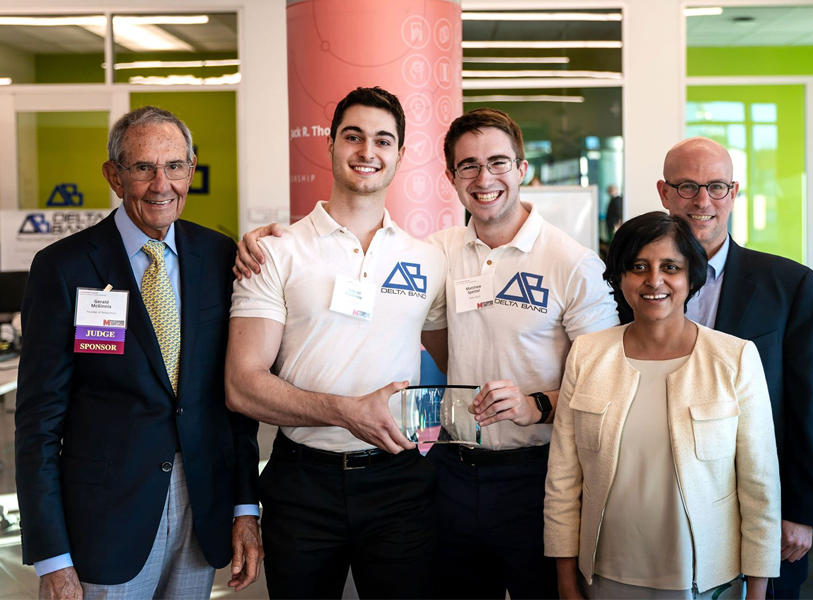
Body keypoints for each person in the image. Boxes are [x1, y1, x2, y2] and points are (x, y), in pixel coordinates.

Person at [233, 107, 620, 599]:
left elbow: (607, 385)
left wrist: (534, 404)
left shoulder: (575, 263)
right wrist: (256, 240)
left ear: (523, 170)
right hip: (448, 472)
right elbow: (441, 345)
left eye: (499, 163)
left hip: (536, 476)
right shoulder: (436, 253)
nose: (485, 179)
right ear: (450, 178)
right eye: (469, 167)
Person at [15, 106, 262, 600]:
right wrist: (52, 557)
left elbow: (233, 402)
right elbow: (39, 423)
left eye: (174, 166)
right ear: (114, 175)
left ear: (191, 170)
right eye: (142, 167)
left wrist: (245, 509)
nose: (161, 184)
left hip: (202, 508)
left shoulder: (218, 257)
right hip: (106, 522)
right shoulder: (63, 268)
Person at [225, 87, 447, 599]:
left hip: (402, 483)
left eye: (383, 140)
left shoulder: (429, 258)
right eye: (354, 136)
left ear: (400, 156)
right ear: (329, 145)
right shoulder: (276, 253)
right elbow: (242, 385)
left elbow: (455, 357)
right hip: (303, 486)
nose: (368, 152)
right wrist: (347, 411)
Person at [619, 137, 813, 599]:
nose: (703, 201)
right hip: (648, 507)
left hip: (756, 507)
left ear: (734, 193)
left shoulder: (790, 285)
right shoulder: (631, 281)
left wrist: (800, 511)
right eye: (687, 186)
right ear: (663, 192)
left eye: (717, 187)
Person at [546, 211, 781, 600]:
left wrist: (757, 588)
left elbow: (760, 486)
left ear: (692, 277)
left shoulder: (734, 358)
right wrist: (565, 576)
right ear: (619, 277)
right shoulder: (587, 355)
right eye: (638, 267)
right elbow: (563, 478)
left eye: (670, 267)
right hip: (604, 574)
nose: (654, 280)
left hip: (706, 580)